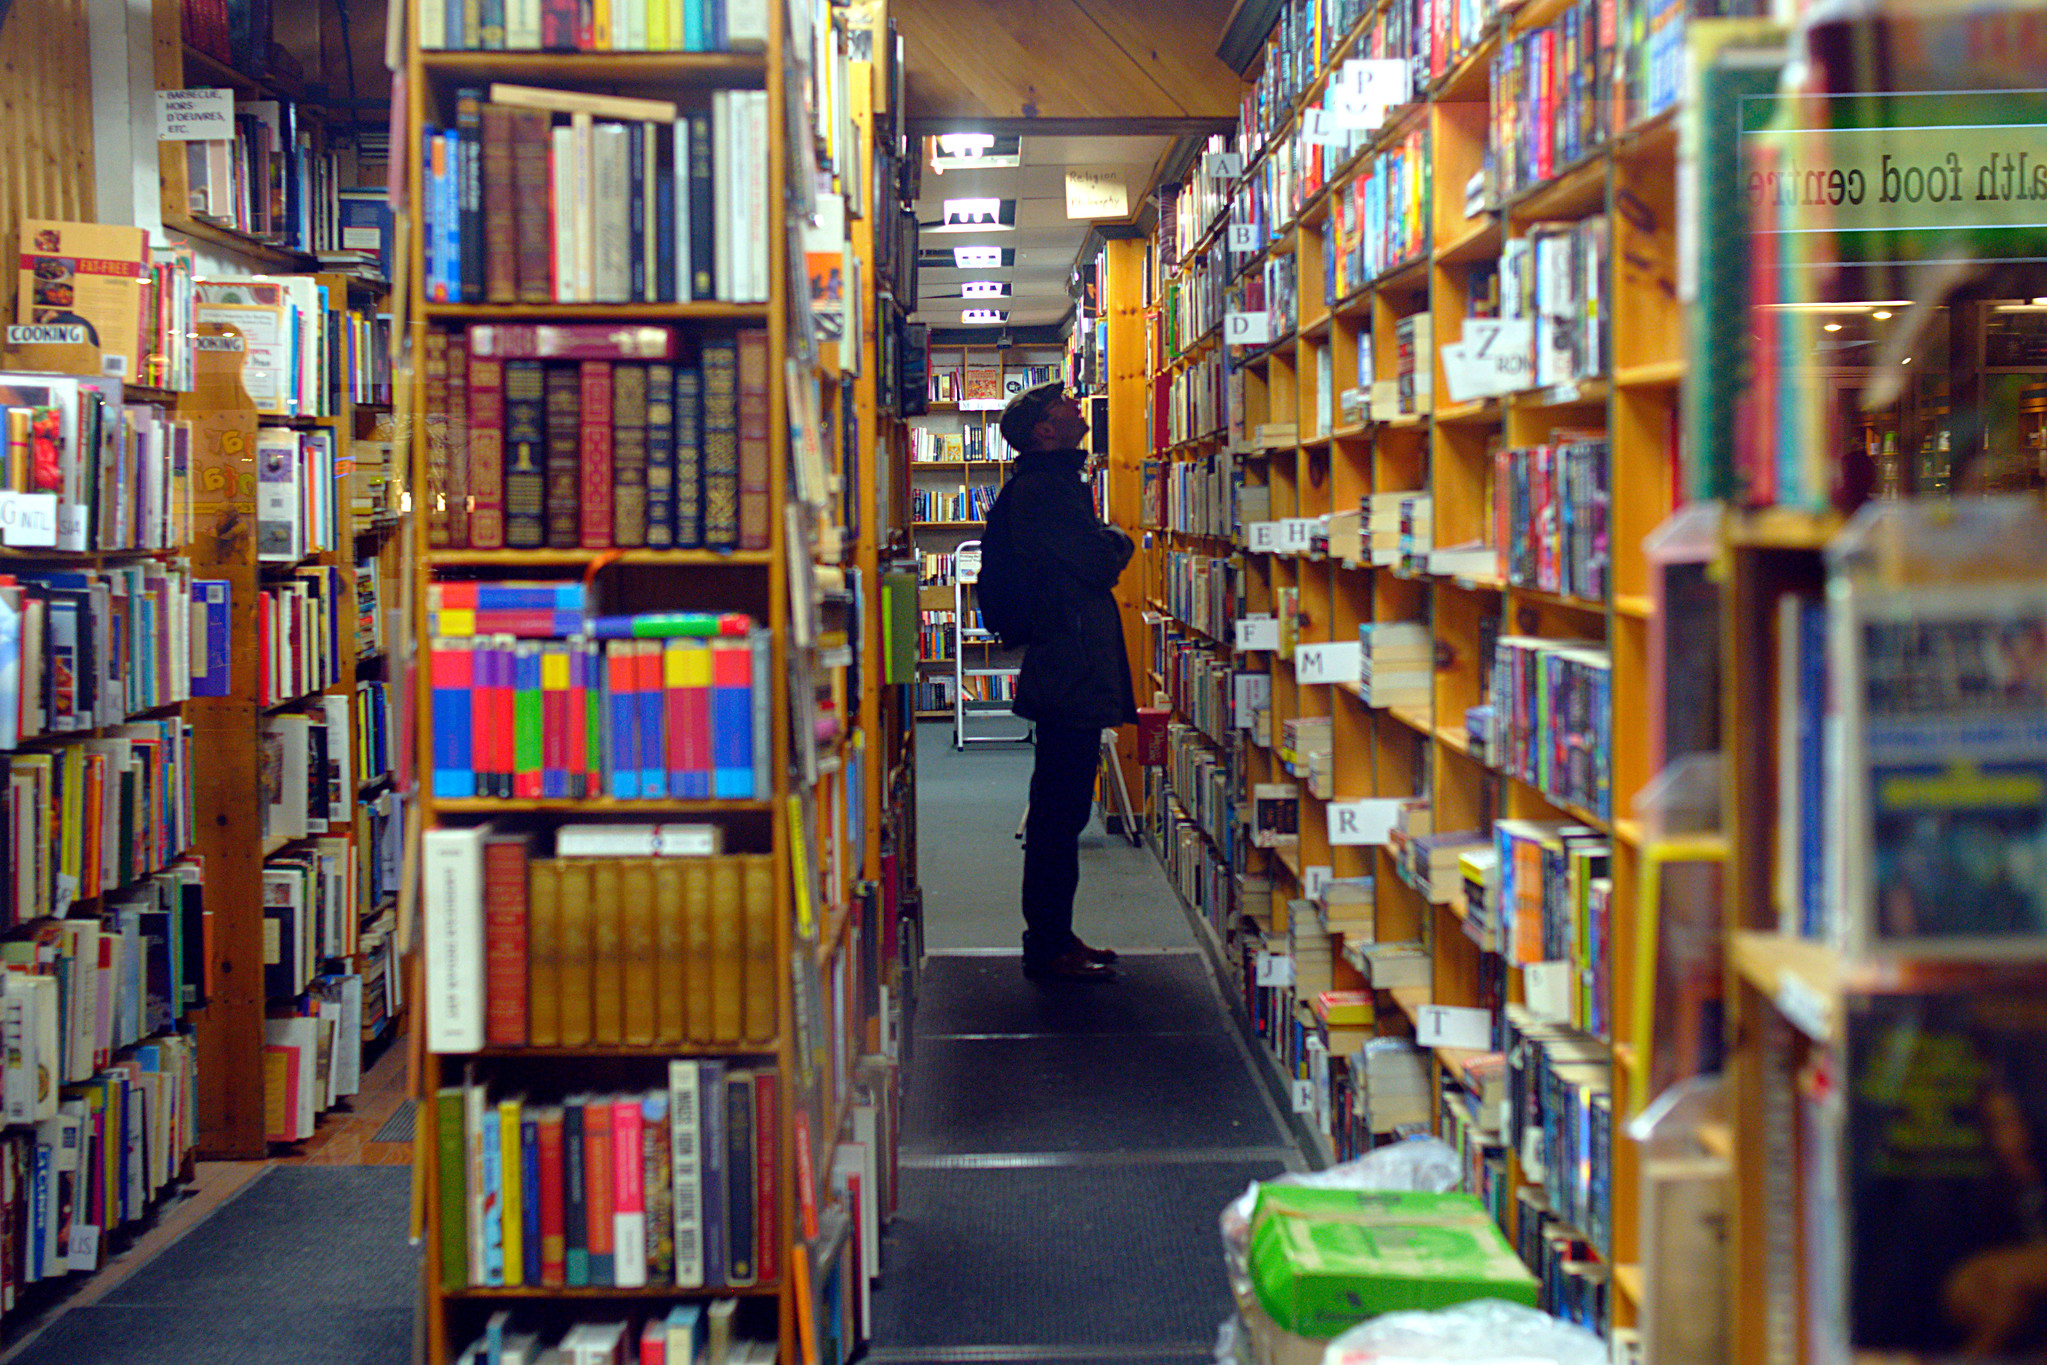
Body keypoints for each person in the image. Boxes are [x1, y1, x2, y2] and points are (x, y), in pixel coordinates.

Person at [980, 381, 1137, 983]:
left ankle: (1053, 936)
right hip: (1068, 669)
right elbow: (1096, 560)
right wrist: (1119, 539)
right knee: (1058, 812)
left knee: (1061, 808)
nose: (1078, 409)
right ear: (1044, 431)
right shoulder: (1046, 491)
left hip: (1068, 663)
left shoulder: (1049, 485)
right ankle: (1047, 944)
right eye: (1064, 407)